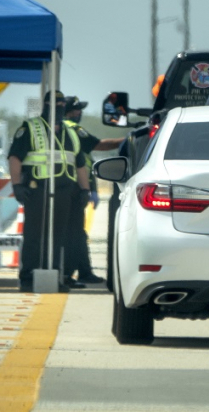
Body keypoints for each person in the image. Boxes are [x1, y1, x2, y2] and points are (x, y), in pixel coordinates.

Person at [7, 90, 90, 292]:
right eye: (55, 103)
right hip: (37, 190)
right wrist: (17, 185)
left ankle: (55, 277)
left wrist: (85, 189)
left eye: (62, 103)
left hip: (64, 192)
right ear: (45, 105)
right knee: (35, 235)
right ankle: (28, 278)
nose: (59, 107)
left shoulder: (71, 133)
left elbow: (80, 164)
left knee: (59, 237)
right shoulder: (30, 128)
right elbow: (15, 157)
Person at [63, 96, 124, 285]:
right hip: (73, 188)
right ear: (69, 111)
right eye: (77, 109)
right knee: (74, 233)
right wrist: (129, 139)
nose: (80, 113)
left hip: (74, 187)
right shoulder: (72, 128)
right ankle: (71, 272)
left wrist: (91, 188)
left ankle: (83, 271)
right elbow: (100, 145)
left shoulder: (61, 128)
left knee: (76, 233)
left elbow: (86, 162)